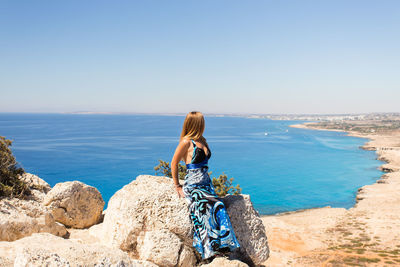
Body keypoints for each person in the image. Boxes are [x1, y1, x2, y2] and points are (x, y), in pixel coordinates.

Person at [171, 111, 241, 260]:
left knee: (218, 206)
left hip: (206, 185)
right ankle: (210, 250)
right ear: (196, 124)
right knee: (215, 206)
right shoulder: (186, 142)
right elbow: (174, 163)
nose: (204, 124)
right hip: (194, 186)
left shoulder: (202, 140)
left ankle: (222, 245)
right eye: (202, 122)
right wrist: (177, 185)